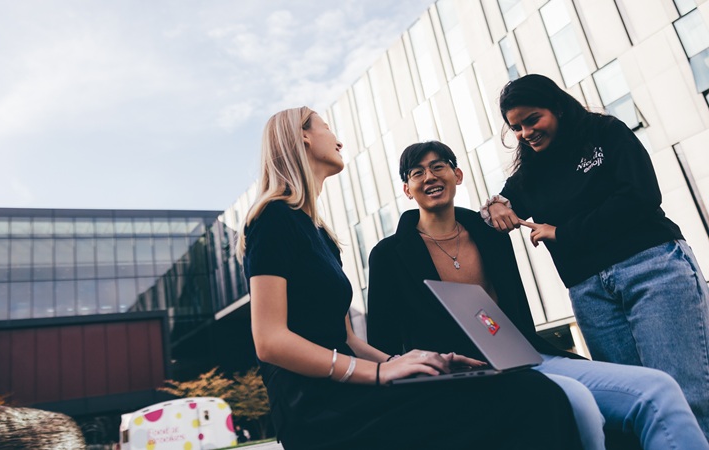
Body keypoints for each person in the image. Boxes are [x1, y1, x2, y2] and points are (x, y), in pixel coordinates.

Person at [237, 107, 583, 450]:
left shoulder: (321, 235)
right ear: (304, 136)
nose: (338, 140)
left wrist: (413, 361)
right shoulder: (273, 218)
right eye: (327, 127)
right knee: (531, 399)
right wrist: (377, 374)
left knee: (529, 392)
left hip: (349, 390)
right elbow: (269, 341)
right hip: (317, 407)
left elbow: (346, 339)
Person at [367, 140, 709, 450]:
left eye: (438, 166)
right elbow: (382, 344)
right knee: (576, 402)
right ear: (407, 190)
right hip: (453, 378)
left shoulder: (491, 235)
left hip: (525, 360)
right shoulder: (389, 254)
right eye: (417, 172)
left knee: (659, 390)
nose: (429, 176)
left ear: (457, 175)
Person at [482, 73, 709, 437]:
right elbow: (500, 206)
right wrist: (493, 206)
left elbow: (641, 196)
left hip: (652, 269)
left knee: (685, 397)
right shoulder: (530, 173)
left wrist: (563, 233)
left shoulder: (605, 133)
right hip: (590, 294)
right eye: (517, 127)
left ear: (556, 106)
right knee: (629, 408)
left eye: (532, 119)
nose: (526, 132)